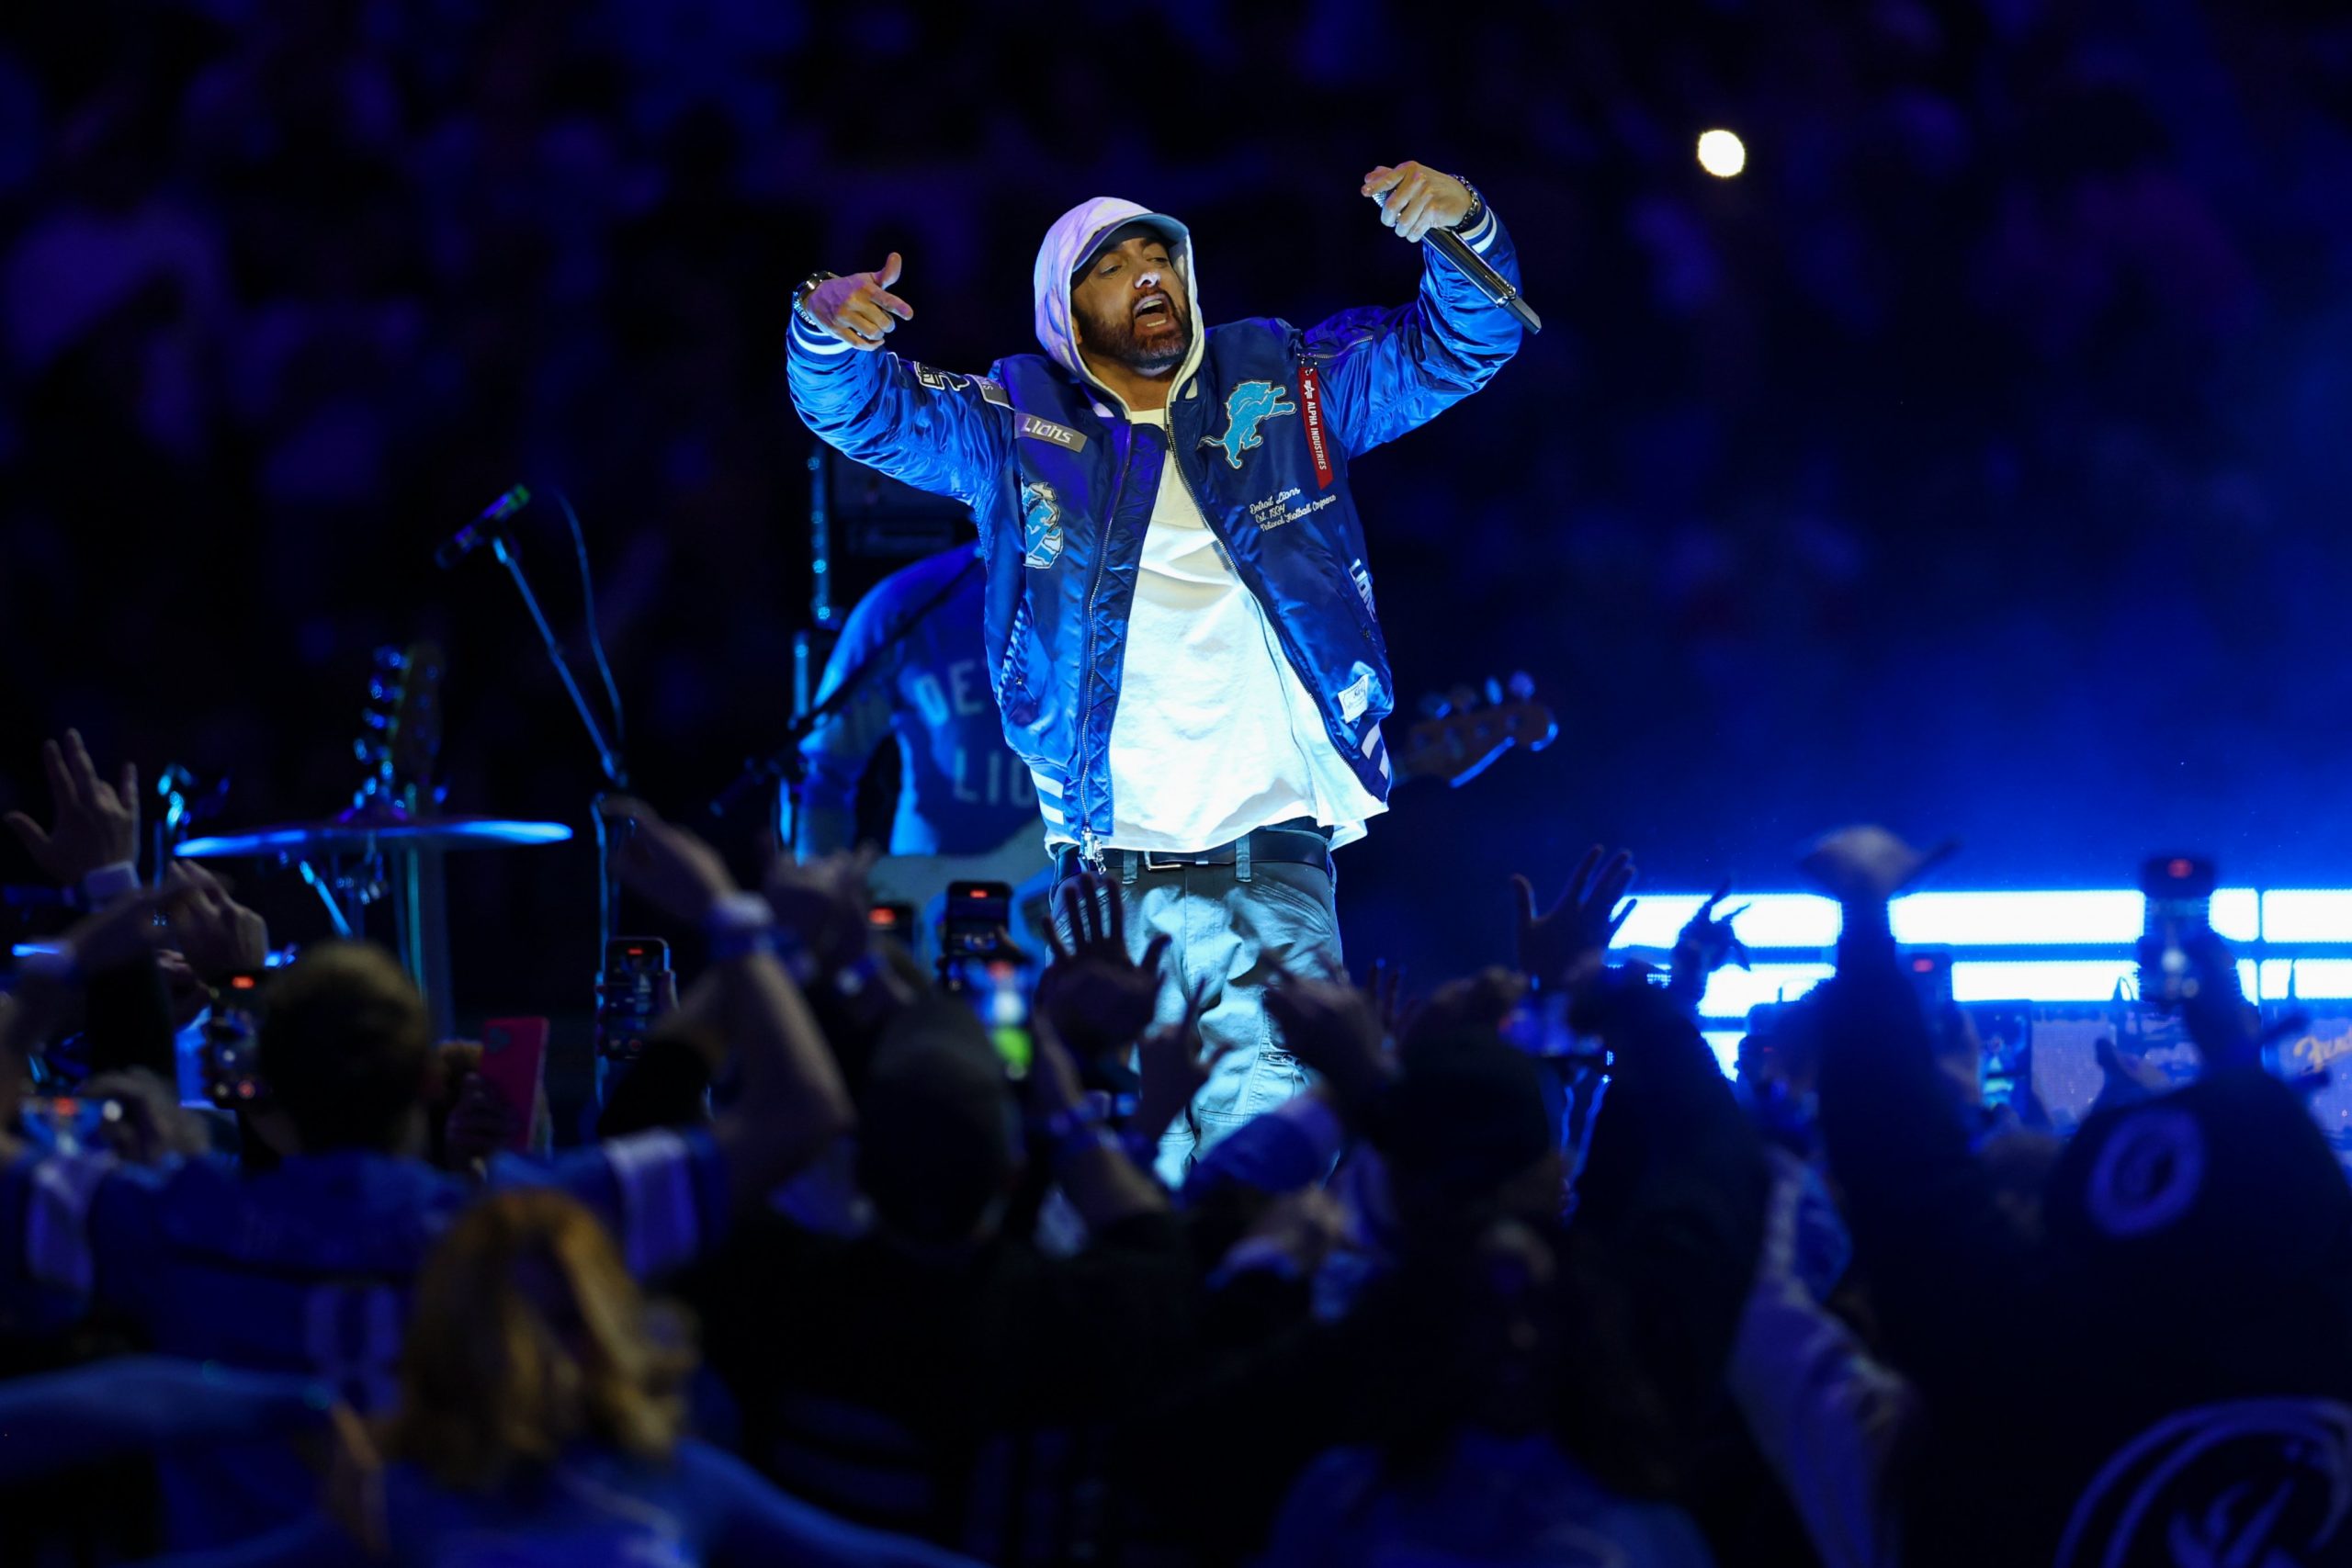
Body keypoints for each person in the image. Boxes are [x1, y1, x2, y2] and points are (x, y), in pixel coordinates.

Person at [789, 162, 1525, 1174]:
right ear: (1062, 310)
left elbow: (1463, 343)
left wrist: (1465, 227)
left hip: (1273, 883)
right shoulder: (1013, 425)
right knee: (1107, 1200)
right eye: (1112, 265)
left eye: (1159, 256)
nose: (1148, 276)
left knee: (1264, 1202)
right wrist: (825, 328)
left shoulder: (1284, 388)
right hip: (1105, 903)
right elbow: (860, 413)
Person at [0, 784, 856, 1550]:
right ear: (430, 1077)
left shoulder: (180, 1224)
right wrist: (734, 920)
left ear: (263, 1089)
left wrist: (67, 961)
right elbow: (804, 1111)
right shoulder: (521, 1230)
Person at [144, 1189, 980, 1567]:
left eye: (571, 1323)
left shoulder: (678, 1480)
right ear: (467, 1339)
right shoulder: (403, 1499)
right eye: (518, 1325)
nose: (545, 1356)